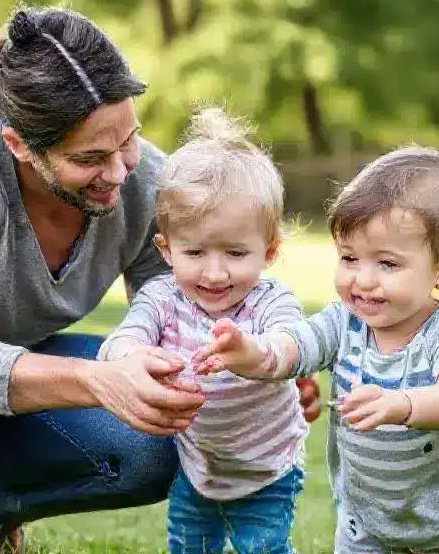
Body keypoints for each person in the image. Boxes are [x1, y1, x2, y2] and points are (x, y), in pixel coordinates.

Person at [0, 5, 321, 554]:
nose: (121, 171)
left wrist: (263, 369)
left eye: (128, 140)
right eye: (90, 157)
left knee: (162, 433)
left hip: (1, 393)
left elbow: (186, 316)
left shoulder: (144, 183)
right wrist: (101, 380)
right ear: (19, 145)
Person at [193, 146, 439, 554]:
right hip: (367, 529)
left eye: (388, 264)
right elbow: (293, 349)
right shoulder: (343, 321)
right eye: (349, 257)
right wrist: (250, 351)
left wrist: (401, 404)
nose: (363, 280)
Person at [96, 108, 309, 554]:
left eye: (235, 252)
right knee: (189, 545)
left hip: (267, 468)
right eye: (194, 251)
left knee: (262, 546)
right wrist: (131, 357)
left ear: (269, 251)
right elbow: (123, 338)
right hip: (197, 466)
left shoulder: (270, 302)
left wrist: (250, 352)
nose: (214, 273)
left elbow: (291, 345)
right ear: (166, 249)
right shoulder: (161, 297)